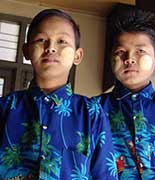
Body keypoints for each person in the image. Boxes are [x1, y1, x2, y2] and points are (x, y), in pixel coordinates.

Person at [0, 9, 117, 180]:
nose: (51, 48)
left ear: (78, 55)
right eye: (41, 40)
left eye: (62, 41)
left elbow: (105, 175)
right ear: (26, 50)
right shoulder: (4, 108)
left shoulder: (92, 113)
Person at [92, 8, 155, 179]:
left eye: (140, 51)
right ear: (111, 58)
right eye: (120, 52)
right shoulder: (92, 110)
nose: (129, 58)